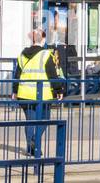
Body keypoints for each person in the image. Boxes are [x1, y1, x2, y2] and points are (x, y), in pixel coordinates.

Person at [13, 23, 66, 157]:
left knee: (30, 121)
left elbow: (17, 74)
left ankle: (31, 147)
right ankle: (35, 142)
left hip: (24, 93)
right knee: (45, 118)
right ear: (42, 40)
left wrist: (14, 91)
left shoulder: (22, 54)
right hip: (42, 95)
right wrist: (59, 90)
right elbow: (52, 75)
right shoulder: (46, 55)